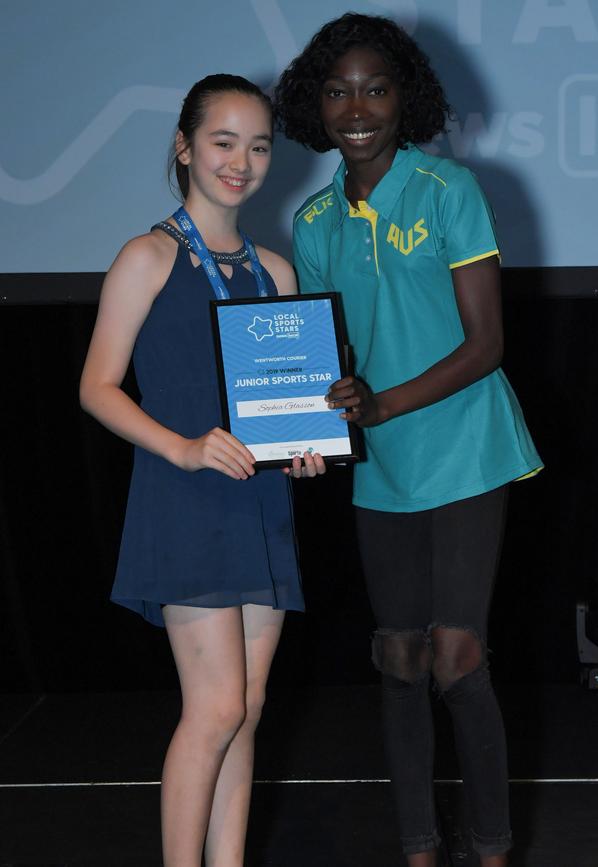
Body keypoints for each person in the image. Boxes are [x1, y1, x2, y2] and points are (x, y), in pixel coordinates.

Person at [275, 14, 542, 867]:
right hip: (382, 462)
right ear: (316, 104)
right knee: (396, 654)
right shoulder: (313, 220)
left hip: (465, 445)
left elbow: (486, 344)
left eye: (376, 88)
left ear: (407, 100)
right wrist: (324, 410)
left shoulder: (447, 190)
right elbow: (332, 358)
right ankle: (420, 850)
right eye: (338, 89)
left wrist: (381, 404)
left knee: (457, 655)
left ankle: (493, 849)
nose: (357, 107)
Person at [80, 73, 324, 867]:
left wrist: (303, 448)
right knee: (214, 706)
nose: (241, 161)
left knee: (247, 709)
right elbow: (96, 386)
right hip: (184, 498)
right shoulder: (147, 255)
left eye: (257, 146)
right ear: (185, 147)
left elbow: (289, 404)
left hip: (260, 507)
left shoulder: (277, 272)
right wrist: (183, 446)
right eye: (223, 141)